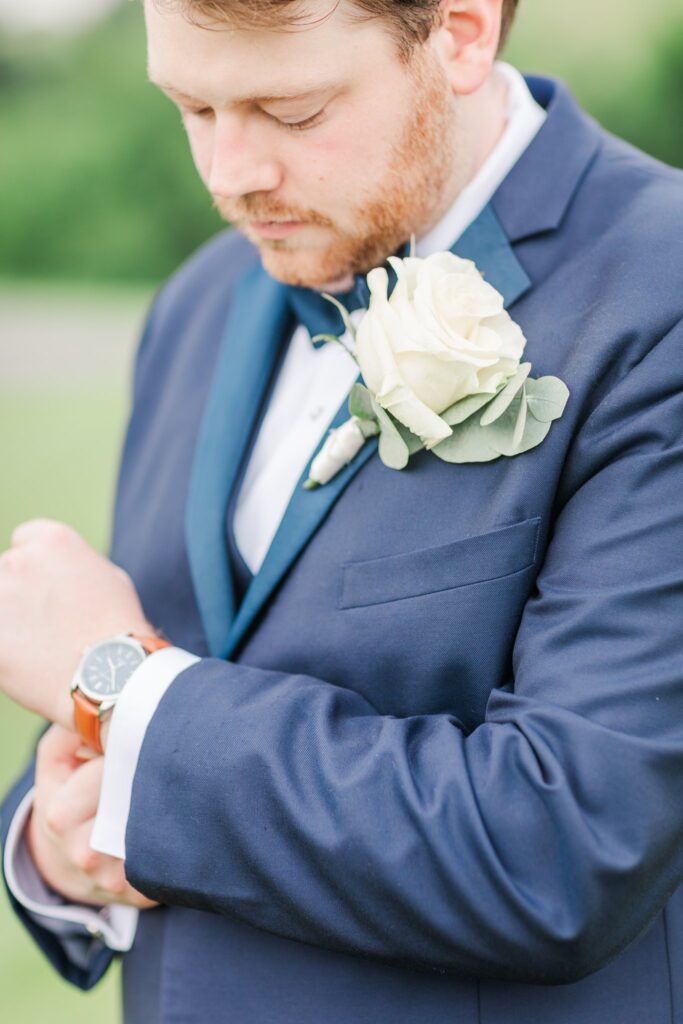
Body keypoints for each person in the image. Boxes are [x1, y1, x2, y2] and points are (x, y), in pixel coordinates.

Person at [2, 0, 683, 1021]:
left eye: (292, 109)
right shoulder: (197, 303)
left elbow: (562, 847)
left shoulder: (656, 295)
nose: (231, 174)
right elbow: (167, 697)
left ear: (457, 31)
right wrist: (56, 837)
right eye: (192, 106)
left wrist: (118, 692)